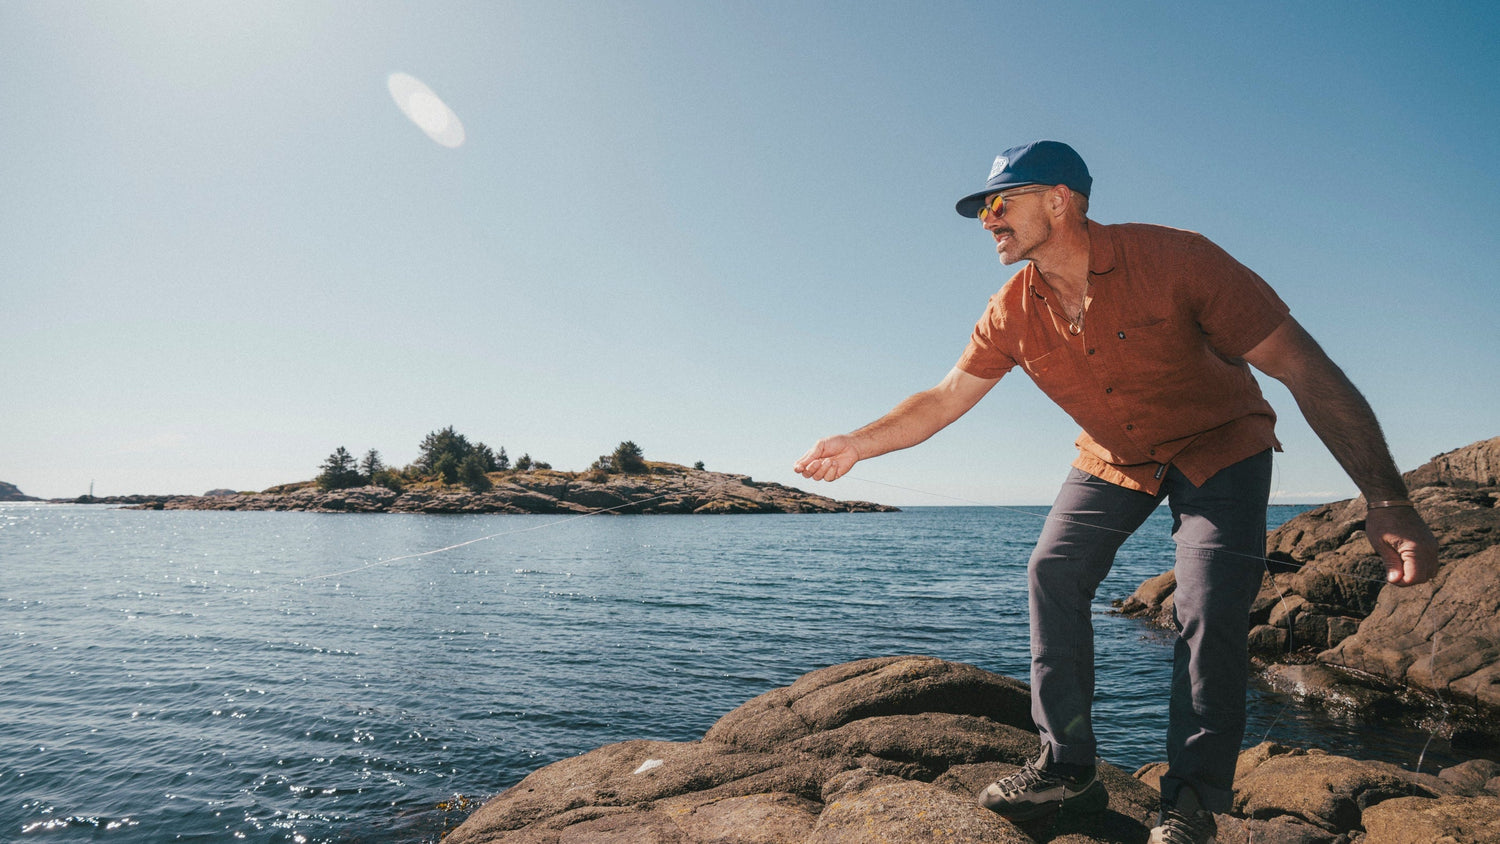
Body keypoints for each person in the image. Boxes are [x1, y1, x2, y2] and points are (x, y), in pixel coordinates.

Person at [792, 140, 1438, 844]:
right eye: (981, 209)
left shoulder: (1179, 260)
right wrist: (858, 443)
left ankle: (1191, 801)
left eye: (1000, 202)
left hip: (1221, 445)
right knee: (1052, 572)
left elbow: (1304, 367)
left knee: (1207, 603)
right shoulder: (1011, 310)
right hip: (1114, 456)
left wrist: (1387, 501)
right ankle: (1067, 767)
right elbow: (945, 397)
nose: (988, 219)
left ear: (1059, 200)